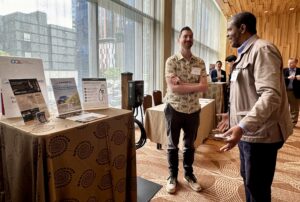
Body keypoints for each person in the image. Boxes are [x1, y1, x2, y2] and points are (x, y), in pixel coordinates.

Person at [219, 12, 293, 202]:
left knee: (257, 187)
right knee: (249, 181)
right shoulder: (244, 53)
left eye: (230, 30)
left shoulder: (262, 49)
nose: (227, 34)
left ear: (242, 28)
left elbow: (270, 95)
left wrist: (242, 125)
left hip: (261, 135)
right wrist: (230, 115)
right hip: (248, 132)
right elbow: (245, 94)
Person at [164, 26, 208, 194]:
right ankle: (172, 176)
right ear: (179, 39)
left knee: (189, 146)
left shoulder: (200, 62)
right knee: (172, 145)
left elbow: (204, 87)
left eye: (190, 36)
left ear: (193, 39)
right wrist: (194, 85)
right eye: (185, 36)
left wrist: (183, 84)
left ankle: (189, 175)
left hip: (193, 110)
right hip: (174, 108)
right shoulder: (171, 61)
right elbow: (174, 89)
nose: (188, 39)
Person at [283, 58, 300, 126]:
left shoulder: (299, 70)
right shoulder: (284, 70)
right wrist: (287, 78)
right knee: (284, 107)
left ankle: (292, 123)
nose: (289, 64)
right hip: (285, 91)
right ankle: (284, 122)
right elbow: (280, 77)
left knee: (294, 108)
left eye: (291, 63)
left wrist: (296, 78)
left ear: (296, 63)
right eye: (288, 63)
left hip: (295, 92)